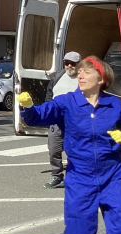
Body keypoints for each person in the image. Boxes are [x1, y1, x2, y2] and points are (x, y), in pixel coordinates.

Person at [17, 56, 121, 234]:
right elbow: (39, 115)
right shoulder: (66, 102)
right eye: (79, 71)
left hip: (113, 177)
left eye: (87, 72)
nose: (80, 74)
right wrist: (27, 108)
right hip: (80, 179)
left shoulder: (115, 104)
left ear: (101, 78)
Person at [43, 51, 81, 189]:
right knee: (54, 149)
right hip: (56, 120)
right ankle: (57, 175)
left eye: (73, 63)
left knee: (74, 150)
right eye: (67, 63)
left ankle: (74, 176)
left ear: (79, 64)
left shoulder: (83, 78)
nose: (69, 66)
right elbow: (49, 95)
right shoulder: (57, 76)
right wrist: (48, 113)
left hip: (75, 121)